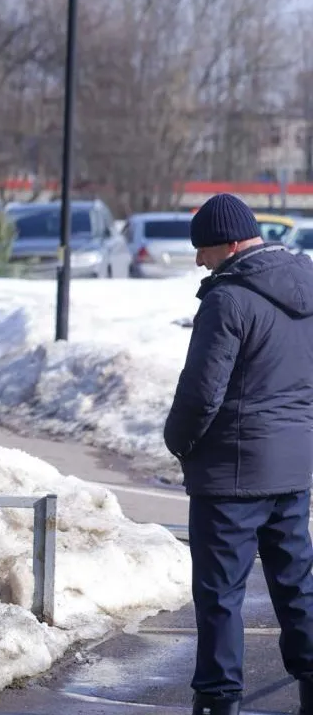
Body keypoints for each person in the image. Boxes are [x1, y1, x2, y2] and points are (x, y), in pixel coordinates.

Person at [163, 193, 313, 715]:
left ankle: (219, 699)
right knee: (296, 584)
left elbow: (202, 392)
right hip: (293, 470)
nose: (199, 261)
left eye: (203, 249)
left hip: (229, 475)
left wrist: (177, 441)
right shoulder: (308, 287)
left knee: (221, 595)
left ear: (228, 243)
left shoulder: (228, 299)